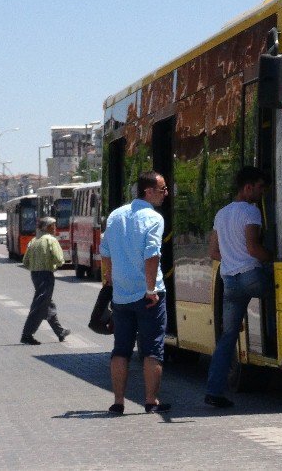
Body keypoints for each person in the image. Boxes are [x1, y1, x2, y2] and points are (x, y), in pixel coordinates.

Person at [100, 171, 170, 415]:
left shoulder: (115, 216)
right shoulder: (153, 218)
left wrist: (109, 276)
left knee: (121, 349)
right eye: (162, 190)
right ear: (148, 192)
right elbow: (152, 255)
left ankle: (118, 401)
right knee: (152, 349)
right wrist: (150, 289)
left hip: (121, 297)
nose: (166, 194)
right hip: (148, 296)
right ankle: (151, 401)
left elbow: (104, 249)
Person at [204, 166, 273, 408]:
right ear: (248, 187)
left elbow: (213, 252)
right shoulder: (251, 212)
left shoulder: (221, 214)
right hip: (251, 276)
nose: (262, 192)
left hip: (230, 282)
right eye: (260, 187)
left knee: (227, 336)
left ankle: (214, 391)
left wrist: (232, 259)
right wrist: (274, 259)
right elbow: (254, 249)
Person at [20, 217, 70, 345]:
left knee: (47, 304)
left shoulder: (33, 241)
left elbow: (25, 262)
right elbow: (59, 259)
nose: (55, 228)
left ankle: (60, 332)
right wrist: (52, 265)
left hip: (35, 275)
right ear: (47, 227)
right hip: (46, 275)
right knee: (39, 305)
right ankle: (27, 334)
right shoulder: (51, 240)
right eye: (53, 226)